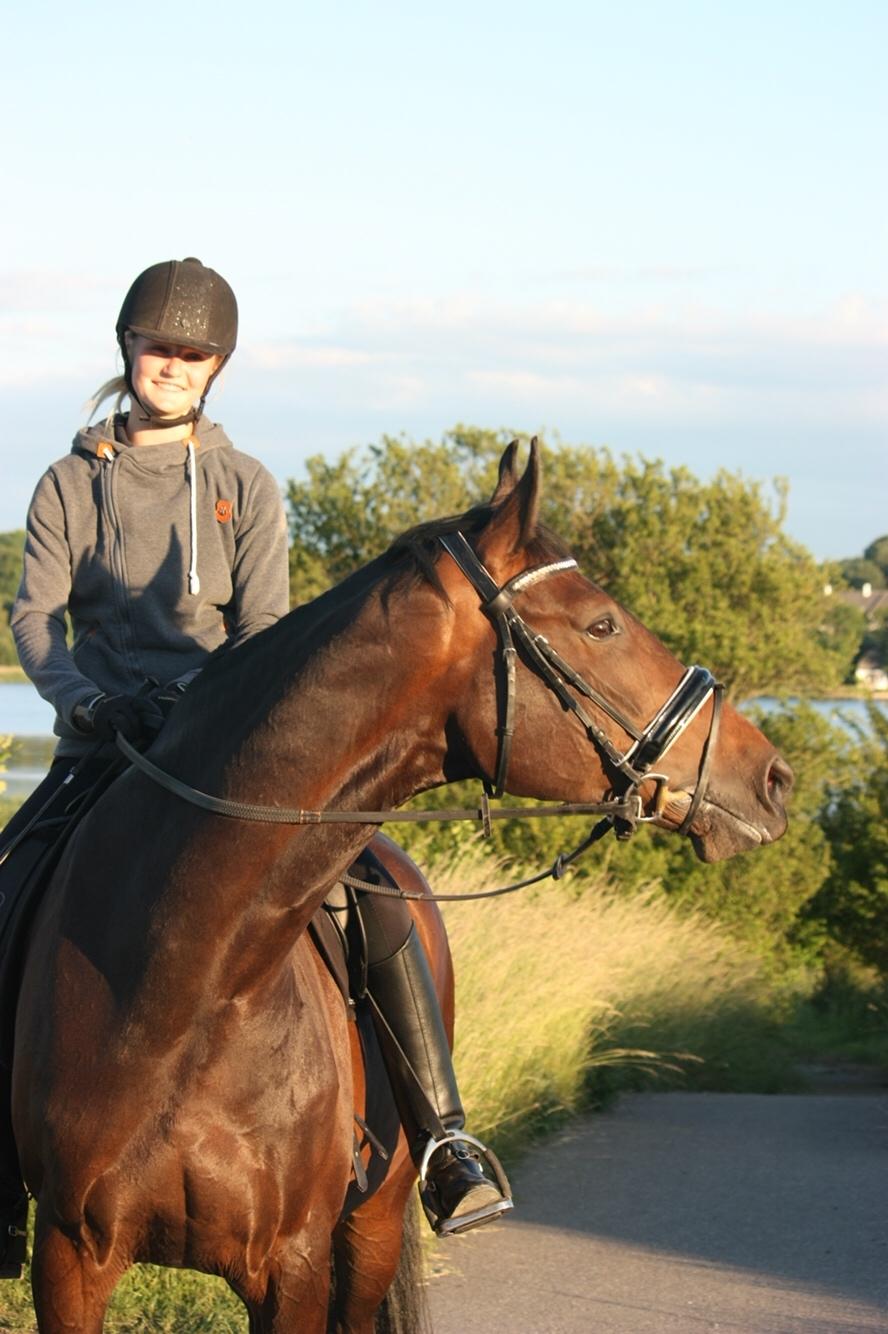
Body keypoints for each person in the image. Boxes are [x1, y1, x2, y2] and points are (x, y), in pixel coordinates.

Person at [0, 259, 510, 1274]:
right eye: (160, 348)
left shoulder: (245, 486)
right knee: (8, 888)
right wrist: (83, 698)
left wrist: (215, 711)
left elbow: (265, 631)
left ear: (215, 367)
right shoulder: (66, 483)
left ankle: (445, 1136)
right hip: (102, 750)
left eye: (194, 355)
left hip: (217, 759)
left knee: (372, 886)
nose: (174, 366)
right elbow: (34, 617)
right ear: (128, 350)